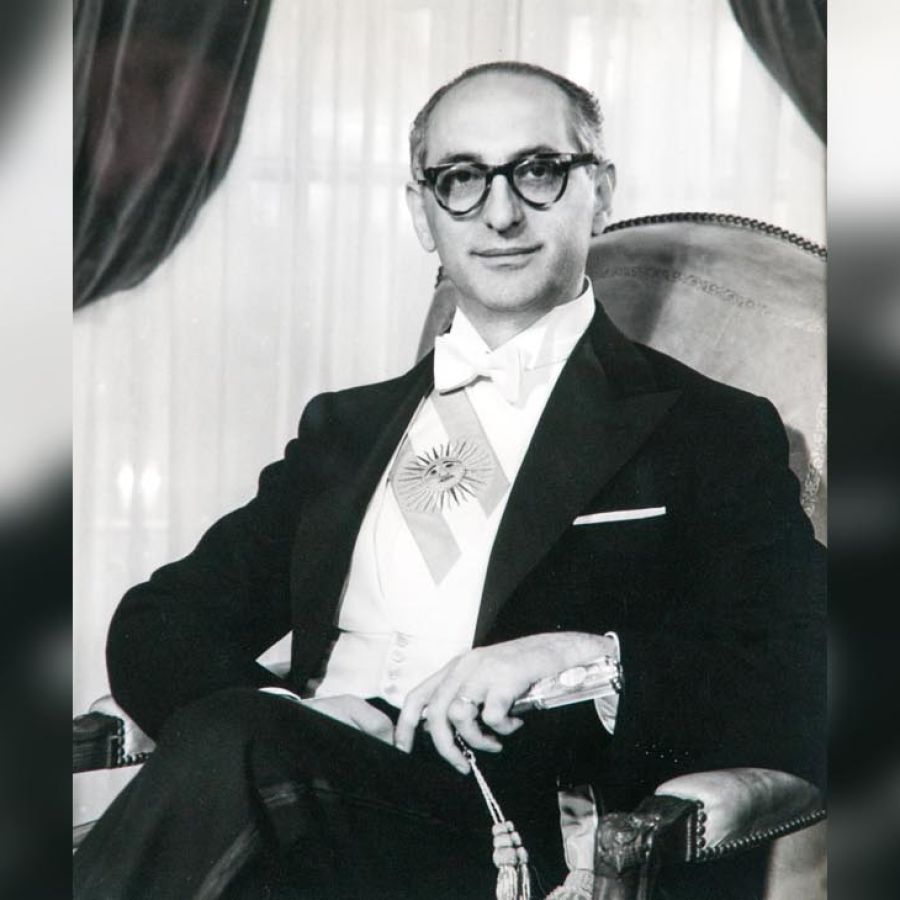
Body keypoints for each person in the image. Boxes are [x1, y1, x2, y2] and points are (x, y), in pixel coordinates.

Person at [74, 61, 824, 900]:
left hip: (490, 840)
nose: (501, 214)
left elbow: (807, 667)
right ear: (421, 212)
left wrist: (589, 659)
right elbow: (158, 620)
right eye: (461, 179)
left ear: (601, 193)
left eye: (538, 170)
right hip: (282, 809)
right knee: (241, 746)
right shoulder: (344, 429)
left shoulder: (705, 429)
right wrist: (293, 715)